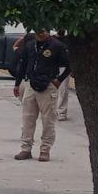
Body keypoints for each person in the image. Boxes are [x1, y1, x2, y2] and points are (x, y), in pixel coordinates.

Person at [12, 29, 71, 162]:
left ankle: (45, 150)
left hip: (48, 86)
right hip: (30, 84)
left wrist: (59, 80)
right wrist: (17, 83)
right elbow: (23, 65)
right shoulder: (30, 45)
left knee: (48, 120)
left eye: (43, 31)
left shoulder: (56, 46)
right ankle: (26, 149)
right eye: (39, 31)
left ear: (48, 32)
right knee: (27, 118)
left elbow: (69, 65)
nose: (41, 33)